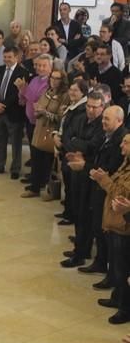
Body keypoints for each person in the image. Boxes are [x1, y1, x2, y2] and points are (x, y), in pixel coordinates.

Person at [78, 106, 128, 279]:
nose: (103, 121)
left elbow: (111, 170)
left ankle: (110, 273)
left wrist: (86, 167)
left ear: (119, 121)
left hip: (109, 193)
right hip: (99, 188)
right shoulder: (106, 135)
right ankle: (101, 263)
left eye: (107, 118)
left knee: (111, 238)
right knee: (98, 228)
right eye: (103, 118)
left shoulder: (120, 139)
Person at [60, 91, 105, 267]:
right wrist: (77, 145)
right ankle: (80, 247)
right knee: (77, 211)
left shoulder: (102, 125)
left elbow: (94, 145)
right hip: (75, 170)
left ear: (102, 107)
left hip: (90, 174)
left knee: (86, 214)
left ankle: (81, 253)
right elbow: (66, 136)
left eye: (95, 107)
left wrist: (76, 143)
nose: (91, 110)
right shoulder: (80, 118)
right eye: (88, 106)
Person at [91, 133, 130, 325]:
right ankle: (117, 297)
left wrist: (103, 180)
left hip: (124, 225)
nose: (121, 145)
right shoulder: (125, 164)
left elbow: (119, 192)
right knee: (116, 264)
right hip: (115, 220)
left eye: (126, 142)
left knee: (123, 268)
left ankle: (124, 308)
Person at [21, 68, 70, 198]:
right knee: (36, 160)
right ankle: (35, 187)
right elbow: (40, 105)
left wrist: (45, 113)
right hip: (39, 129)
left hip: (51, 132)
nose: (54, 81)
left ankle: (49, 190)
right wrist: (37, 111)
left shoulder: (64, 96)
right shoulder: (47, 91)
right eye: (52, 78)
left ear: (62, 80)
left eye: (57, 78)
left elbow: (61, 117)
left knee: (48, 164)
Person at [0, 46, 30, 179]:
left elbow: (17, 93)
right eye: (5, 57)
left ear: (16, 57)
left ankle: (15, 168)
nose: (6, 59)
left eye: (9, 57)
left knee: (16, 142)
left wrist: (3, 105)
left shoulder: (23, 72)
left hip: (14, 112)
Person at [53, 80, 90, 225]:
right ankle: (67, 211)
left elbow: (74, 134)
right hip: (65, 148)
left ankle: (71, 215)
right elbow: (62, 125)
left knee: (73, 187)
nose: (72, 92)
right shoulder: (72, 106)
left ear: (83, 92)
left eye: (76, 90)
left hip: (72, 151)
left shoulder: (82, 110)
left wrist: (62, 143)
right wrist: (55, 135)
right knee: (68, 185)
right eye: (71, 89)